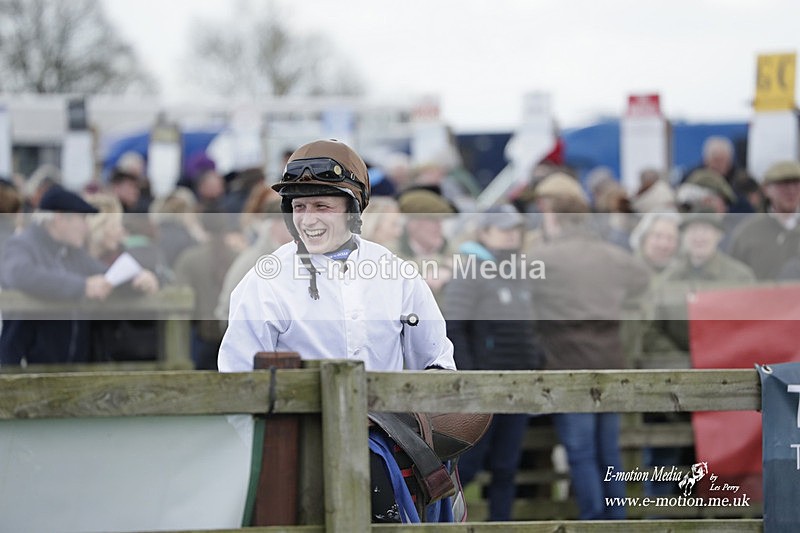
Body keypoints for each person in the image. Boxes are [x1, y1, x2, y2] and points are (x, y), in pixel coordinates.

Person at [217, 140, 456, 523]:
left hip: (393, 460)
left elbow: (437, 365)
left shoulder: (397, 275)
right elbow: (237, 384)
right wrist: (274, 469)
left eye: (322, 206)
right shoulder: (265, 283)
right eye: (299, 207)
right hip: (299, 461)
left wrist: (409, 435)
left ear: (353, 210)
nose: (308, 219)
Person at [530, 195, 650, 520]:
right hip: (610, 359)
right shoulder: (611, 255)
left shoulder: (543, 257)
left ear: (555, 218)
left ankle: (594, 520)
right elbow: (642, 279)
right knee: (608, 450)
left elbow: (515, 286)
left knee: (581, 452)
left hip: (566, 362)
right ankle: (617, 520)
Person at [442, 204, 545, 521]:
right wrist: (472, 376)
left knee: (506, 465)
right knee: (470, 464)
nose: (511, 236)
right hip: (484, 386)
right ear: (484, 232)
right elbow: (455, 326)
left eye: (515, 229)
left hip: (519, 384)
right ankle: (436, 517)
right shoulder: (471, 271)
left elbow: (529, 325)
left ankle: (502, 524)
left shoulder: (519, 271)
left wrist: (536, 360)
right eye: (503, 229)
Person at [0, 186, 149, 365]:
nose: (87, 228)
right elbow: (20, 274)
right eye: (82, 219)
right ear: (60, 218)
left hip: (68, 370)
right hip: (28, 370)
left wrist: (138, 281)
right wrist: (82, 287)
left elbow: (105, 275)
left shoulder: (73, 252)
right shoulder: (22, 245)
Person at [728, 160, 800, 280]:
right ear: (766, 189)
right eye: (783, 185)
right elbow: (732, 277)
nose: (791, 191)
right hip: (760, 297)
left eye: (796, 184)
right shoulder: (747, 232)